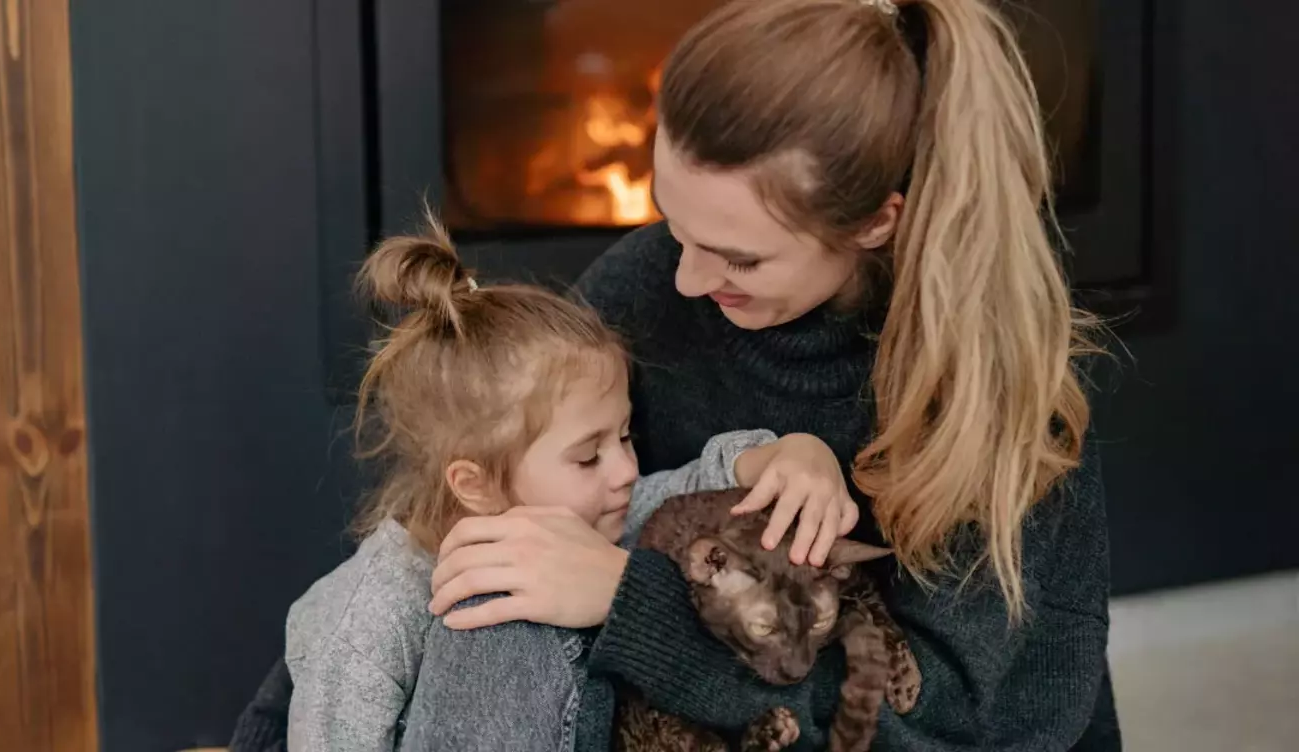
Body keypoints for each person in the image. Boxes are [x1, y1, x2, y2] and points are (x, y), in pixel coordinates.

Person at [411, 0, 1119, 750]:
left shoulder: (997, 390)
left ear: (878, 222)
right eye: (671, 226)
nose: (686, 279)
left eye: (739, 258)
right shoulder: (652, 285)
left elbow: (959, 729)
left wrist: (636, 607)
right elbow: (466, 498)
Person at [281, 217, 857, 750]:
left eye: (626, 437)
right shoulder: (375, 612)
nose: (627, 471)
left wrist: (785, 454)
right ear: (474, 485)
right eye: (589, 457)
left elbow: (695, 488)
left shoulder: (602, 516)